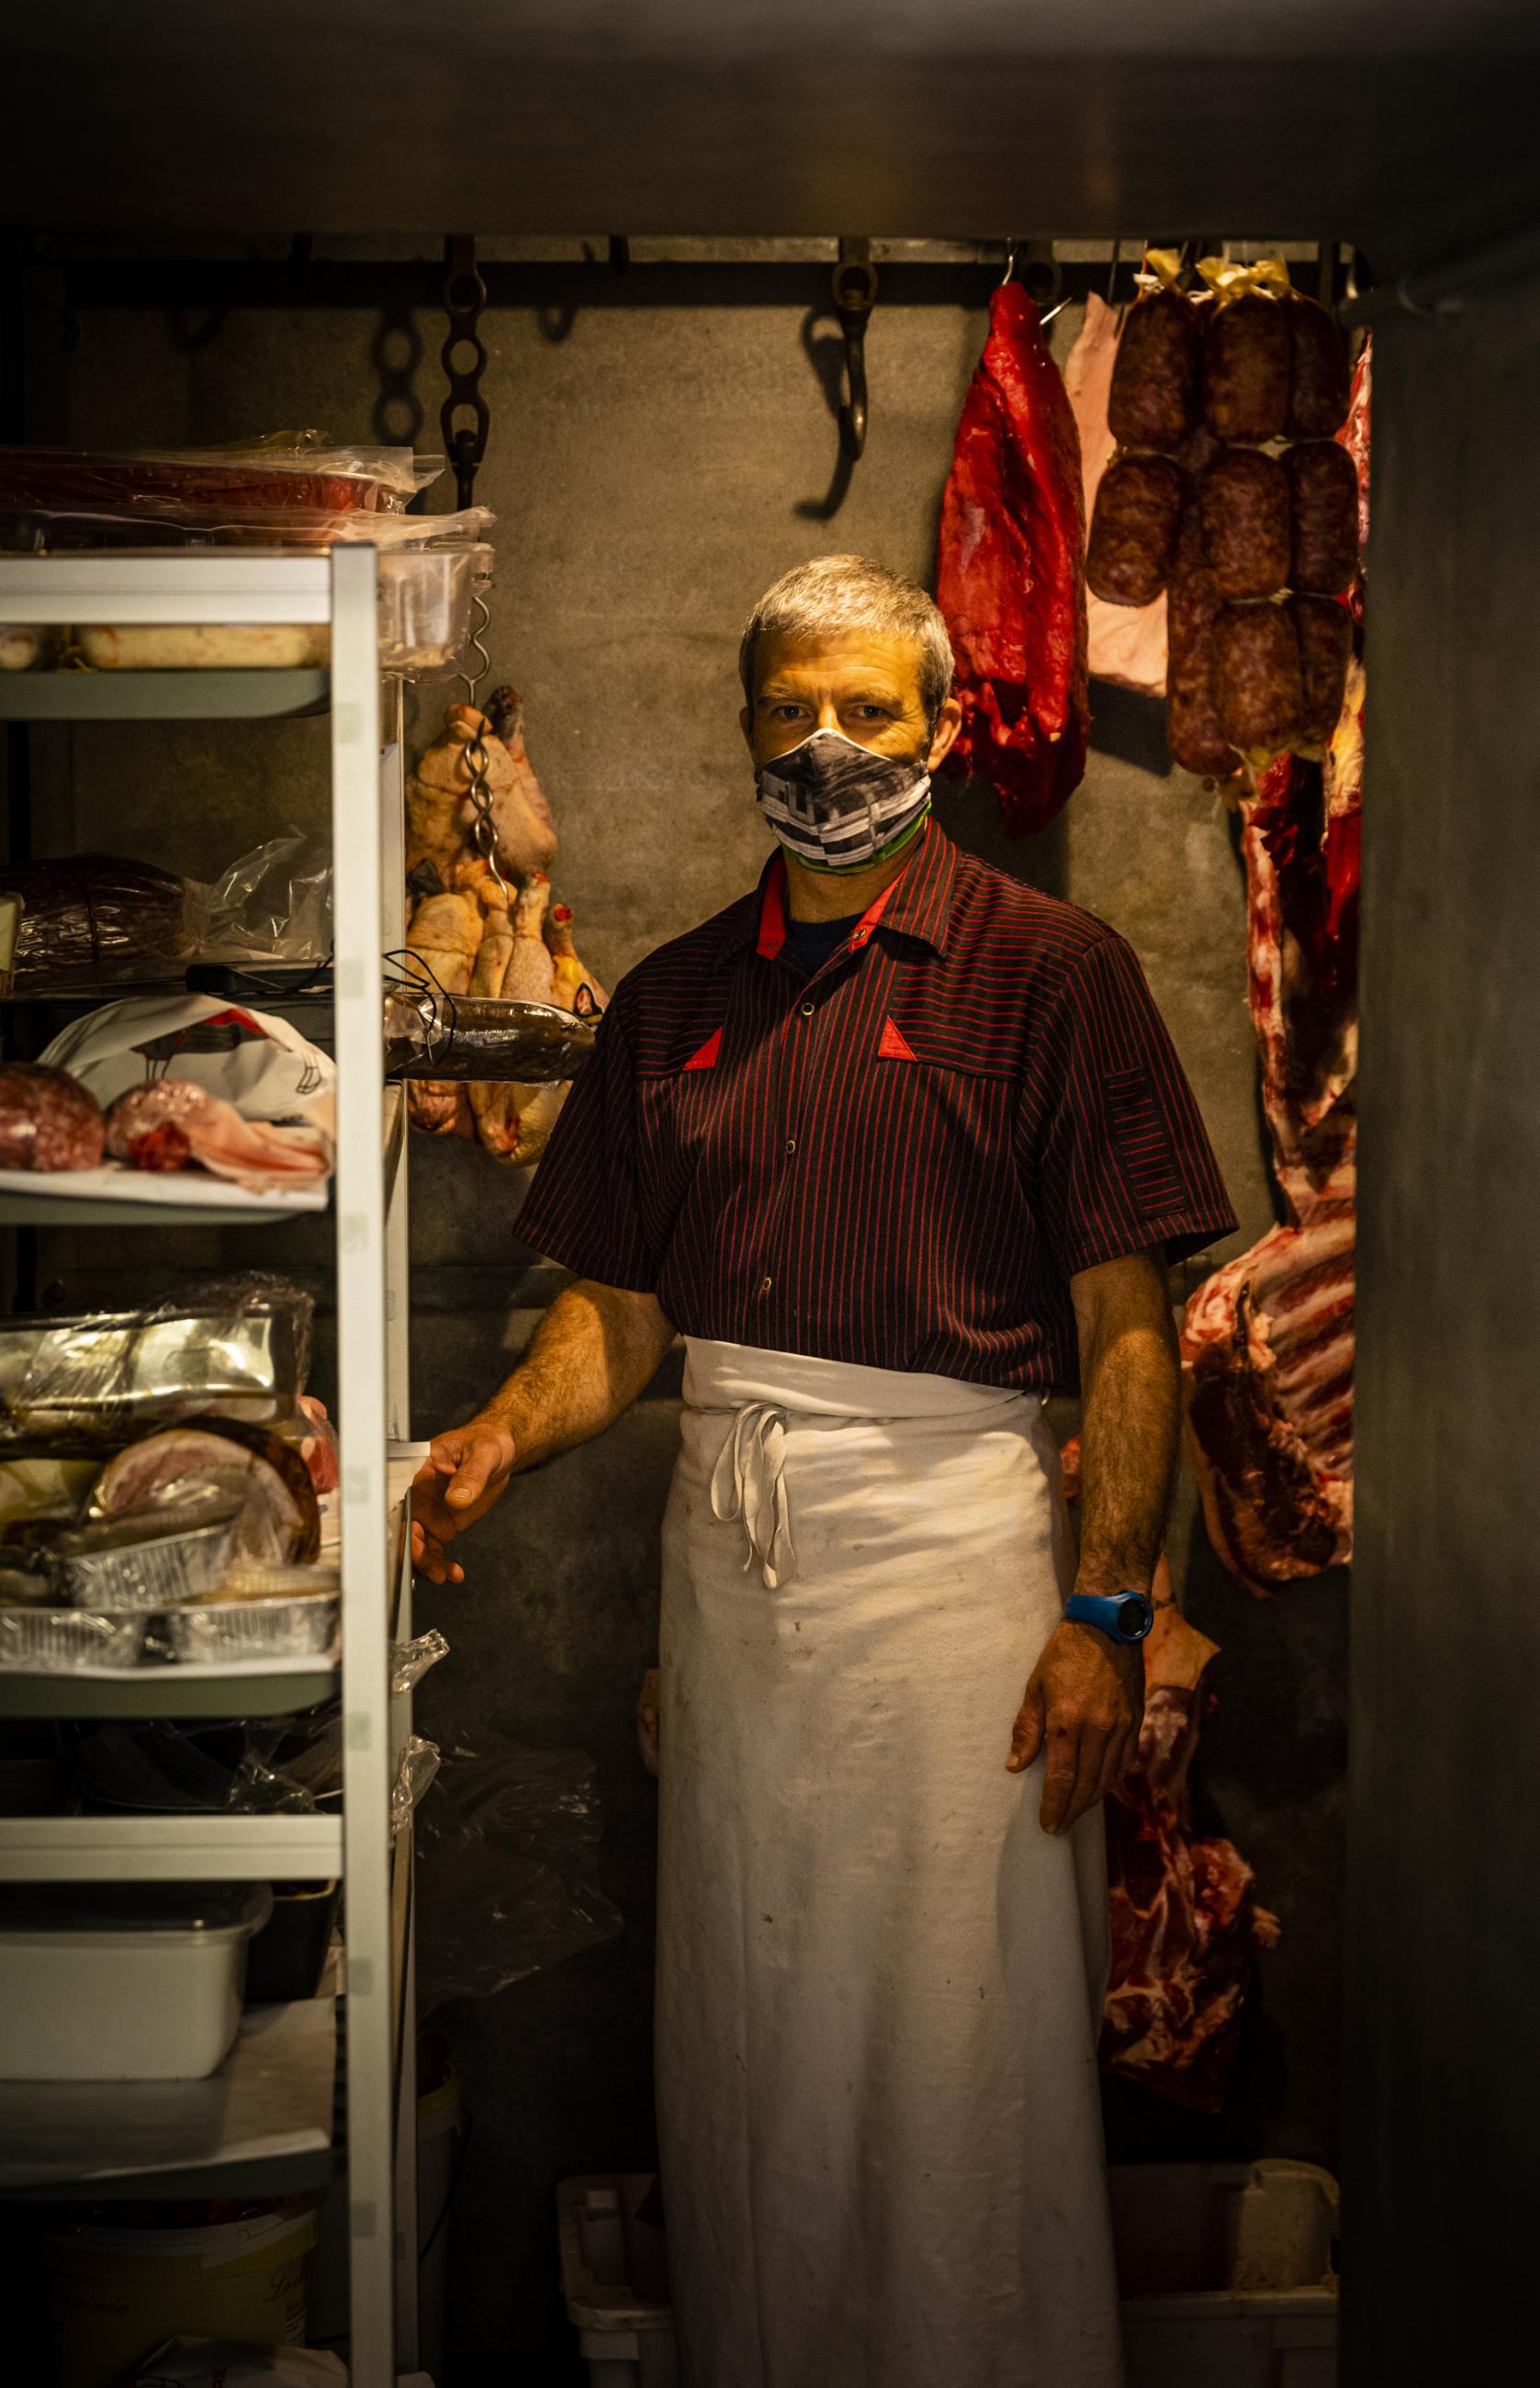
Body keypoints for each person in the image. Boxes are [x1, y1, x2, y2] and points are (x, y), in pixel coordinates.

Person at [412, 554, 1237, 2388]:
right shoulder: (672, 1000)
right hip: (733, 1580)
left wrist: (1106, 1613)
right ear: (741, 730)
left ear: (938, 732)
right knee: (753, 2028)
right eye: (789, 712)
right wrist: (498, 1434)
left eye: (869, 711)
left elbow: (1125, 1325)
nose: (827, 747)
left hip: (959, 1577)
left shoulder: (1052, 973)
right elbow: (620, 1313)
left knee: (953, 2043)